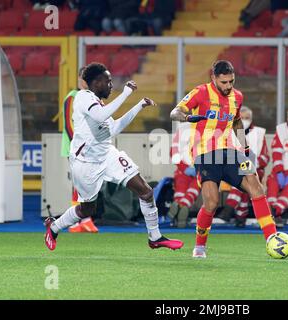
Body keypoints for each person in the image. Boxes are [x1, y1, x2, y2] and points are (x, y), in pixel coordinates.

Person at [44, 62, 184, 251]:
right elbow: (101, 116)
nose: (111, 85)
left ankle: (155, 237)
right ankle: (54, 227)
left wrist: (138, 106)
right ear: (95, 83)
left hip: (107, 154)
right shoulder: (82, 98)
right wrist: (126, 93)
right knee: (87, 209)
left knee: (145, 191)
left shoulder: (98, 102)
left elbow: (114, 128)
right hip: (86, 162)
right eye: (107, 81)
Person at [170, 60, 288, 259]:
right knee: (211, 203)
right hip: (205, 153)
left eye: (231, 81)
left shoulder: (237, 96)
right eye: (224, 82)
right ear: (213, 78)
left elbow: (237, 121)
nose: (228, 86)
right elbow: (175, 113)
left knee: (255, 185)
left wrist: (245, 147)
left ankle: (272, 238)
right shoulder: (200, 92)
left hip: (231, 151)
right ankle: (199, 246)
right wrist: (188, 118)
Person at [60, 66, 99, 233]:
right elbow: (69, 124)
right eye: (83, 78)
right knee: (79, 182)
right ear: (79, 79)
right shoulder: (72, 98)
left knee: (87, 183)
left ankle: (86, 219)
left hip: (90, 148)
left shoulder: (92, 98)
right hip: (75, 148)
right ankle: (77, 222)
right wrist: (78, 147)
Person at [217, 106, 270, 228]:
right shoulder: (229, 132)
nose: (245, 121)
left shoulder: (259, 133)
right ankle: (241, 214)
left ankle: (229, 208)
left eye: (248, 118)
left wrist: (251, 164)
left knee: (245, 176)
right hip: (235, 168)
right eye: (242, 118)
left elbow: (265, 157)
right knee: (242, 177)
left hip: (256, 169)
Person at [168, 122, 200, 228]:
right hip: (198, 170)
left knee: (180, 192)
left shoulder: (182, 128)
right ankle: (184, 207)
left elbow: (173, 151)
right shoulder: (208, 126)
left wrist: (183, 168)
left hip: (183, 170)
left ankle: (177, 207)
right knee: (192, 192)